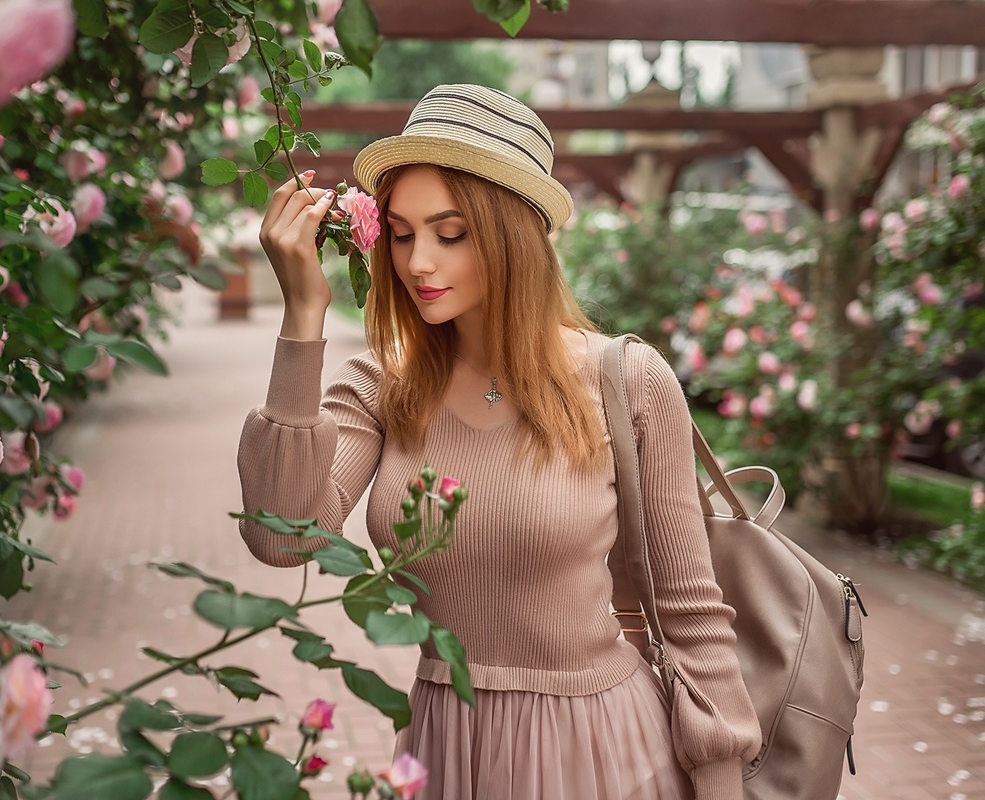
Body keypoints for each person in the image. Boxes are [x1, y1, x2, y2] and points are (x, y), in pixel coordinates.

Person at [236, 84, 760, 800]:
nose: (419, 262)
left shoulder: (627, 380)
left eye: (451, 234)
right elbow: (286, 538)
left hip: (602, 755)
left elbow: (692, 613)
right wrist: (303, 316)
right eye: (402, 232)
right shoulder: (382, 385)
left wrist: (723, 781)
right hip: (446, 750)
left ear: (515, 235)